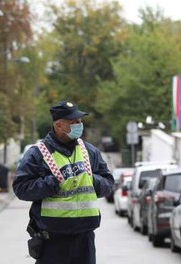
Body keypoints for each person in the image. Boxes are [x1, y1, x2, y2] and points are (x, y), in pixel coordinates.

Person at [12, 100, 114, 264]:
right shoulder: (38, 154)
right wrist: (51, 183)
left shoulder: (89, 151)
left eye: (80, 121)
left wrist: (93, 181)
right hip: (52, 241)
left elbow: (109, 183)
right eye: (73, 122)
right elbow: (20, 188)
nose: (79, 125)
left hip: (84, 238)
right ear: (58, 126)